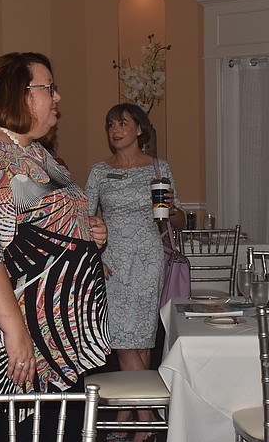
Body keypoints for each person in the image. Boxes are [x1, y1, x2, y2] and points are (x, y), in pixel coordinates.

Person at [0, 52, 109, 441]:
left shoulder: (32, 152)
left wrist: (88, 231)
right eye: (48, 88)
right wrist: (17, 334)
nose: (58, 97)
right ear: (20, 95)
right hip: (17, 341)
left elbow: (44, 220)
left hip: (53, 336)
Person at [84, 102, 183, 442]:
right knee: (125, 344)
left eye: (123, 123)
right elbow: (84, 218)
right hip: (110, 261)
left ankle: (129, 420)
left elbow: (179, 219)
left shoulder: (158, 167)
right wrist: (95, 258)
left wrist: (170, 209)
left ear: (139, 129)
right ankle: (148, 418)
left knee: (138, 344)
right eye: (111, 124)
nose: (115, 129)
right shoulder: (99, 171)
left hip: (147, 260)